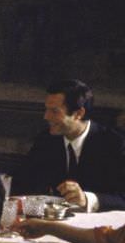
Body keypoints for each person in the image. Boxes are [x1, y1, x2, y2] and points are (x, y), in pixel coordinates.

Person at [12, 78, 125, 211]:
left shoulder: (115, 143)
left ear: (79, 113)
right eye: (46, 109)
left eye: (54, 111)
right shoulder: (46, 140)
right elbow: (23, 182)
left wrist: (87, 199)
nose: (46, 116)